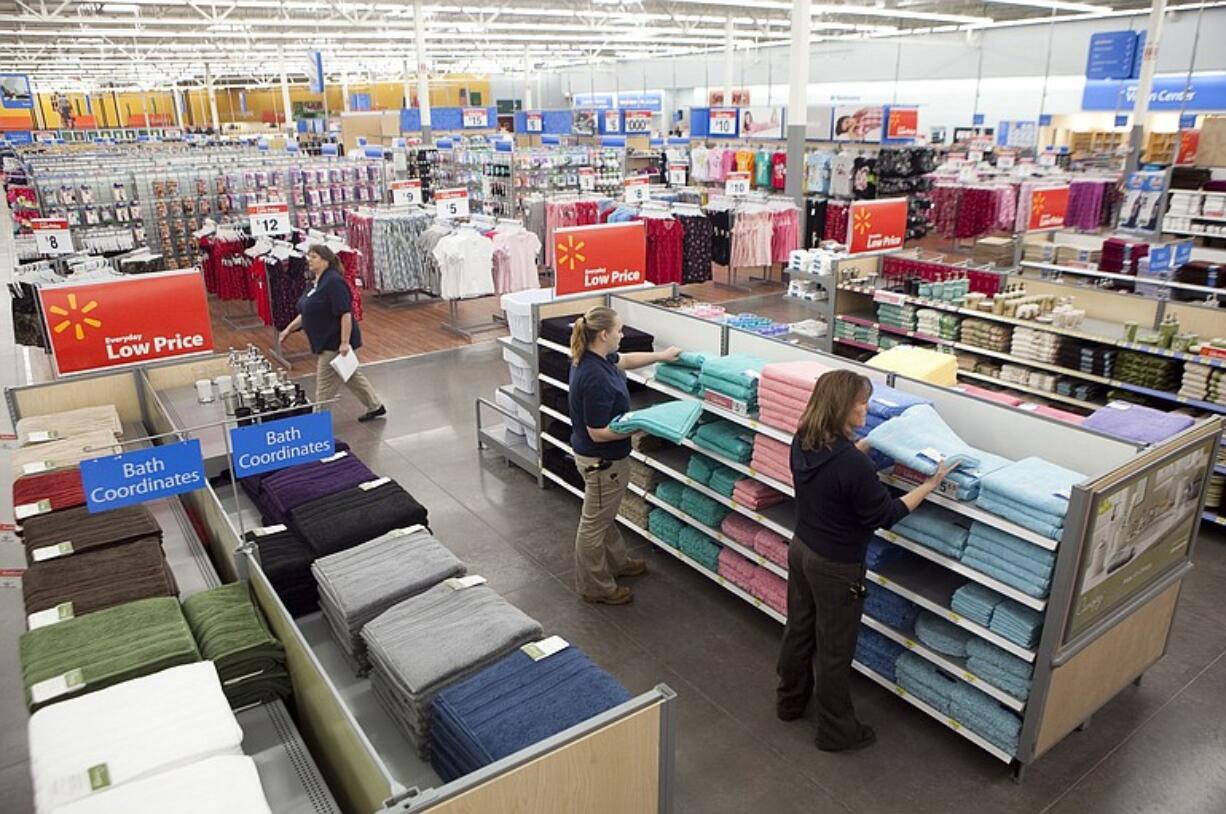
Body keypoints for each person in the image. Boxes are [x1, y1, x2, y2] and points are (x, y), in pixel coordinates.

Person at [777, 369, 956, 751]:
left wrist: (863, 448)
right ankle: (836, 731)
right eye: (861, 402)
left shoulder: (804, 439)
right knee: (835, 648)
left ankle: (789, 702)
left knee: (799, 629)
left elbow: (833, 469)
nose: (866, 408)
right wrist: (928, 486)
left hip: (802, 548)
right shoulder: (851, 465)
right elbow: (885, 515)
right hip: (837, 566)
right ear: (842, 407)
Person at [568, 306, 680, 605]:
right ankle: (596, 587)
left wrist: (660, 356)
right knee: (593, 524)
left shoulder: (595, 358)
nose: (622, 334)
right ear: (604, 334)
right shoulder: (595, 378)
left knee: (603, 514)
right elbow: (598, 431)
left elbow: (626, 360)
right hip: (601, 460)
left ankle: (617, 562)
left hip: (598, 458)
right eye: (619, 330)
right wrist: (641, 427)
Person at [278, 244, 386, 422]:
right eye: (309, 256)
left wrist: (344, 342)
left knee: (325, 384)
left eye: (313, 257)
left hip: (334, 342)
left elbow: (345, 313)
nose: (309, 260)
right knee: (350, 374)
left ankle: (317, 421)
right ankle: (375, 406)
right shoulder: (315, 282)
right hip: (325, 339)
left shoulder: (334, 281)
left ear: (325, 260)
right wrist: (288, 329)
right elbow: (306, 311)